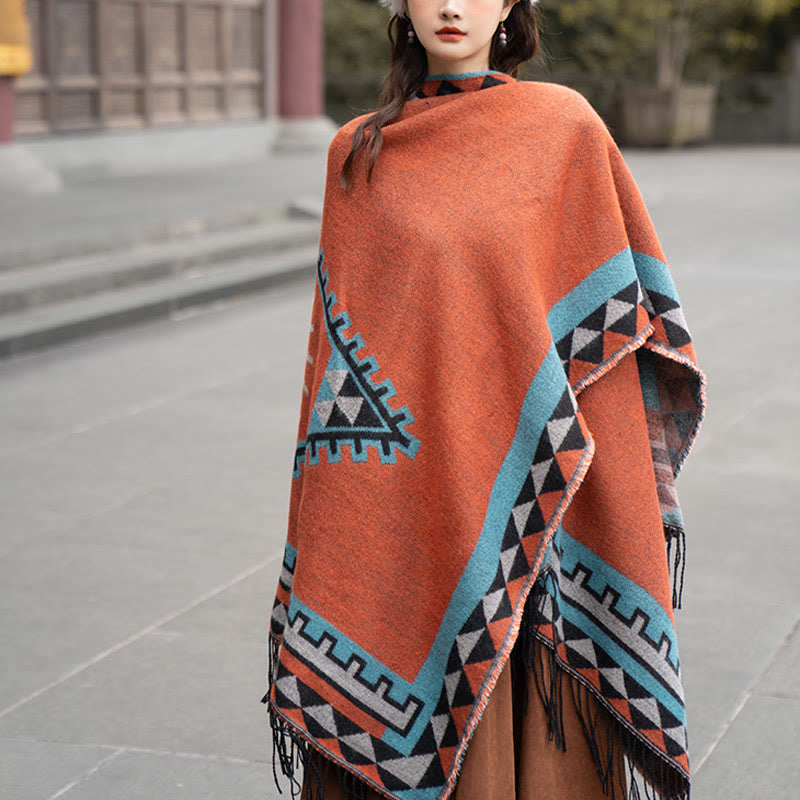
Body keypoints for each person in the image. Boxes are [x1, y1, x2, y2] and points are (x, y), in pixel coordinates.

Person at [262, 2, 706, 799]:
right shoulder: (355, 155)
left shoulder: (563, 131)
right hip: (404, 501)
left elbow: (620, 329)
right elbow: (342, 374)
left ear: (509, 6)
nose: (452, 4)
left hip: (533, 512)